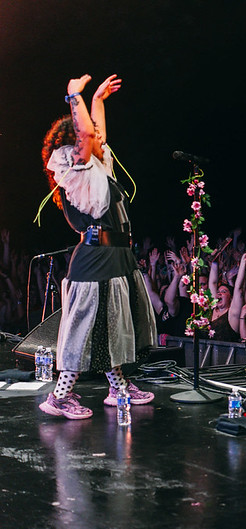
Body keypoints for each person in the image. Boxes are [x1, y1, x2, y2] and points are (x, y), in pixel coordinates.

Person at [38, 74, 157, 419]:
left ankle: (118, 388)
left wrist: (99, 101)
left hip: (116, 257)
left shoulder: (98, 169)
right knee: (86, 329)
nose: (98, 138)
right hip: (95, 260)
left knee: (112, 326)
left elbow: (97, 133)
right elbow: (89, 135)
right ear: (74, 141)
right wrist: (75, 95)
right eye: (89, 136)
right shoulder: (75, 169)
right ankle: (59, 397)